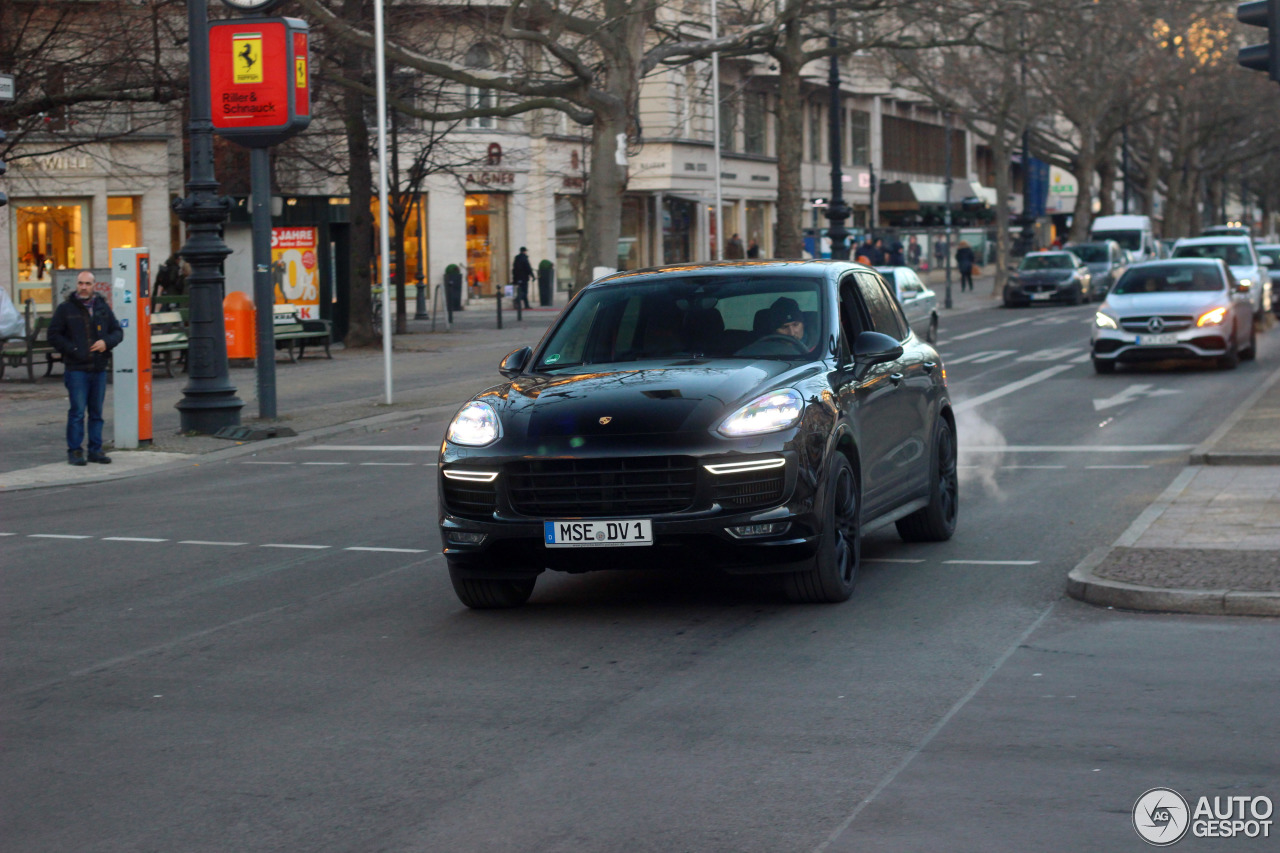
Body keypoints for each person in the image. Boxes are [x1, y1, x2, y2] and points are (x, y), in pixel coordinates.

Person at [48, 270, 123, 466]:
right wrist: (73, 349)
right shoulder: (66, 308)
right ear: (76, 284)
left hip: (98, 368)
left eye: (87, 284)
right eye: (80, 283)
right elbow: (54, 335)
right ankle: (75, 451)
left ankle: (95, 450)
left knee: (96, 413)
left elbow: (117, 331)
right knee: (77, 412)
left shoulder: (102, 307)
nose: (83, 287)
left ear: (94, 285)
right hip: (77, 369)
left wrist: (106, 342)